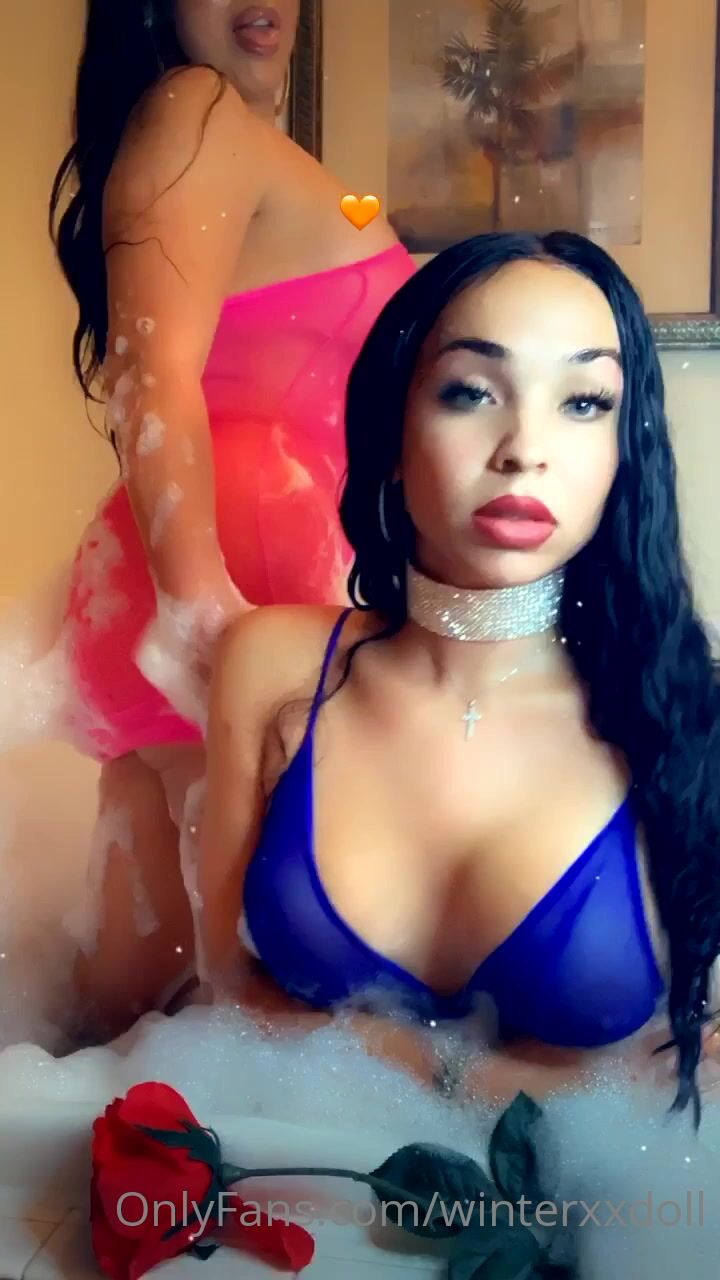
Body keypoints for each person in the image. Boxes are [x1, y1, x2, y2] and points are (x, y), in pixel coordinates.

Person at [79, 230, 720, 1122]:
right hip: (304, 1169)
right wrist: (443, 1077)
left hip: (605, 1191)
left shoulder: (685, 718)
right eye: (470, 392)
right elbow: (232, 984)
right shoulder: (270, 665)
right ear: (391, 429)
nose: (524, 448)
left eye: (583, 402)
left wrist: (455, 1085)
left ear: (624, 451)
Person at [10, 0, 415, 1026]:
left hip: (243, 604)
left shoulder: (267, 153)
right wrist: (205, 631)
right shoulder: (192, 110)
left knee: (151, 1010)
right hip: (227, 602)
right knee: (202, 1009)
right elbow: (150, 378)